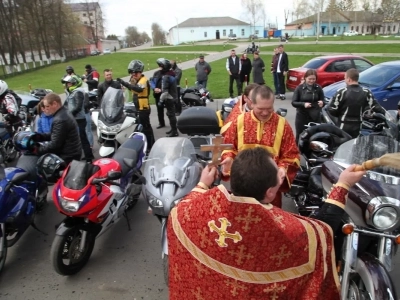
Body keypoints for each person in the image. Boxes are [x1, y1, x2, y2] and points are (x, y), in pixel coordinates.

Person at [167, 146, 366, 299]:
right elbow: (321, 229)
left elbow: (184, 204)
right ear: (271, 192)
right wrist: (343, 184)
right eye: (278, 178)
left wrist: (203, 183)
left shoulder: (192, 211)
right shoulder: (282, 231)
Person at [221, 85, 300, 208]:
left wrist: (282, 169)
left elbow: (291, 155)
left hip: (269, 186)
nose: (265, 113)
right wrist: (228, 157)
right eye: (261, 108)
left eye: (269, 108)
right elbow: (229, 147)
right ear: (251, 103)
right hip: (243, 181)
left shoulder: (282, 125)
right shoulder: (239, 121)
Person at [328, 68, 385, 138]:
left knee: (342, 145)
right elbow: (377, 107)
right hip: (358, 125)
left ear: (349, 79)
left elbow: (332, 109)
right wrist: (383, 118)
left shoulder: (342, 92)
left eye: (345, 78)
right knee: (355, 144)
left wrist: (339, 115)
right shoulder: (366, 92)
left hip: (343, 124)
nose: (344, 80)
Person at [117, 60, 155, 150]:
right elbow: (133, 89)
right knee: (143, 127)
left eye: (135, 73)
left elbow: (138, 89)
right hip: (138, 107)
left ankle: (150, 146)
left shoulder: (143, 80)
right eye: (131, 73)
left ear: (140, 72)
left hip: (143, 108)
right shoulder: (137, 80)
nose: (133, 75)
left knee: (146, 128)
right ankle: (147, 143)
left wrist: (124, 83)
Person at [62, 75, 94, 163]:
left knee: (82, 139)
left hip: (79, 119)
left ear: (74, 83)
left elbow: (78, 107)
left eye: (68, 83)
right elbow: (66, 105)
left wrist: (69, 115)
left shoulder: (78, 92)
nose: (67, 85)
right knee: (78, 139)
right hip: (75, 119)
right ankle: (87, 156)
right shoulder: (71, 93)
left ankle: (89, 159)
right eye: (66, 83)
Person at [291, 69, 325, 142]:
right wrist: (303, 104)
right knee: (300, 135)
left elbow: (323, 100)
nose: (312, 81)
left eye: (314, 79)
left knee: (315, 135)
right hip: (302, 116)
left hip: (315, 116)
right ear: (305, 78)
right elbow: (294, 102)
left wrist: (322, 103)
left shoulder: (318, 88)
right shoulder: (299, 88)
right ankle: (298, 150)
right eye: (310, 79)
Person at [153, 58, 179, 137]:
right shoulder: (171, 74)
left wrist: (160, 101)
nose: (159, 68)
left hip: (169, 98)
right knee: (171, 114)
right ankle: (173, 129)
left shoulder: (166, 77)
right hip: (173, 96)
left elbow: (165, 92)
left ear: (164, 67)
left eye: (160, 66)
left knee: (171, 115)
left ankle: (174, 131)